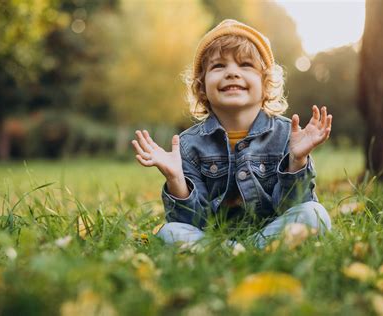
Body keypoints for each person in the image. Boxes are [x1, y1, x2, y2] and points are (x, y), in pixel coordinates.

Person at [131, 19, 332, 249]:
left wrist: (297, 162)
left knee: (315, 214)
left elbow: (293, 207)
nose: (232, 73)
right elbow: (192, 222)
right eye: (218, 66)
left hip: (271, 235)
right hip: (214, 241)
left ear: (265, 83)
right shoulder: (188, 145)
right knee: (170, 232)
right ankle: (230, 251)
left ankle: (247, 251)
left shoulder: (288, 135)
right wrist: (176, 180)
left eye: (245, 65)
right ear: (201, 86)